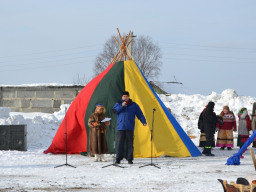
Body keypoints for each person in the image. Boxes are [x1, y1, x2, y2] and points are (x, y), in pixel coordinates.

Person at [112, 91, 147, 164]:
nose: (125, 98)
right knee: (119, 144)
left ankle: (129, 159)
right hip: (120, 127)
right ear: (122, 97)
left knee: (130, 144)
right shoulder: (118, 104)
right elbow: (114, 111)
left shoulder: (134, 105)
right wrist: (122, 106)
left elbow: (140, 114)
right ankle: (118, 159)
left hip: (130, 127)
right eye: (124, 96)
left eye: (126, 96)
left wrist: (143, 121)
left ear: (129, 97)